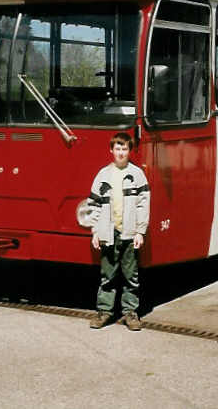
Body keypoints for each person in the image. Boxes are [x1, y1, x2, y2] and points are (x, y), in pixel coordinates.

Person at [86, 132, 150, 330]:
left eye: (124, 149)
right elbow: (94, 205)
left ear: (130, 151)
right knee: (108, 275)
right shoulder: (103, 175)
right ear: (111, 150)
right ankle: (104, 312)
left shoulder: (137, 175)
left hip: (129, 233)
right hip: (108, 233)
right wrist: (95, 231)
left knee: (131, 276)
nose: (121, 153)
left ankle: (130, 313)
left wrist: (140, 231)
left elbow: (143, 204)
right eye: (117, 149)